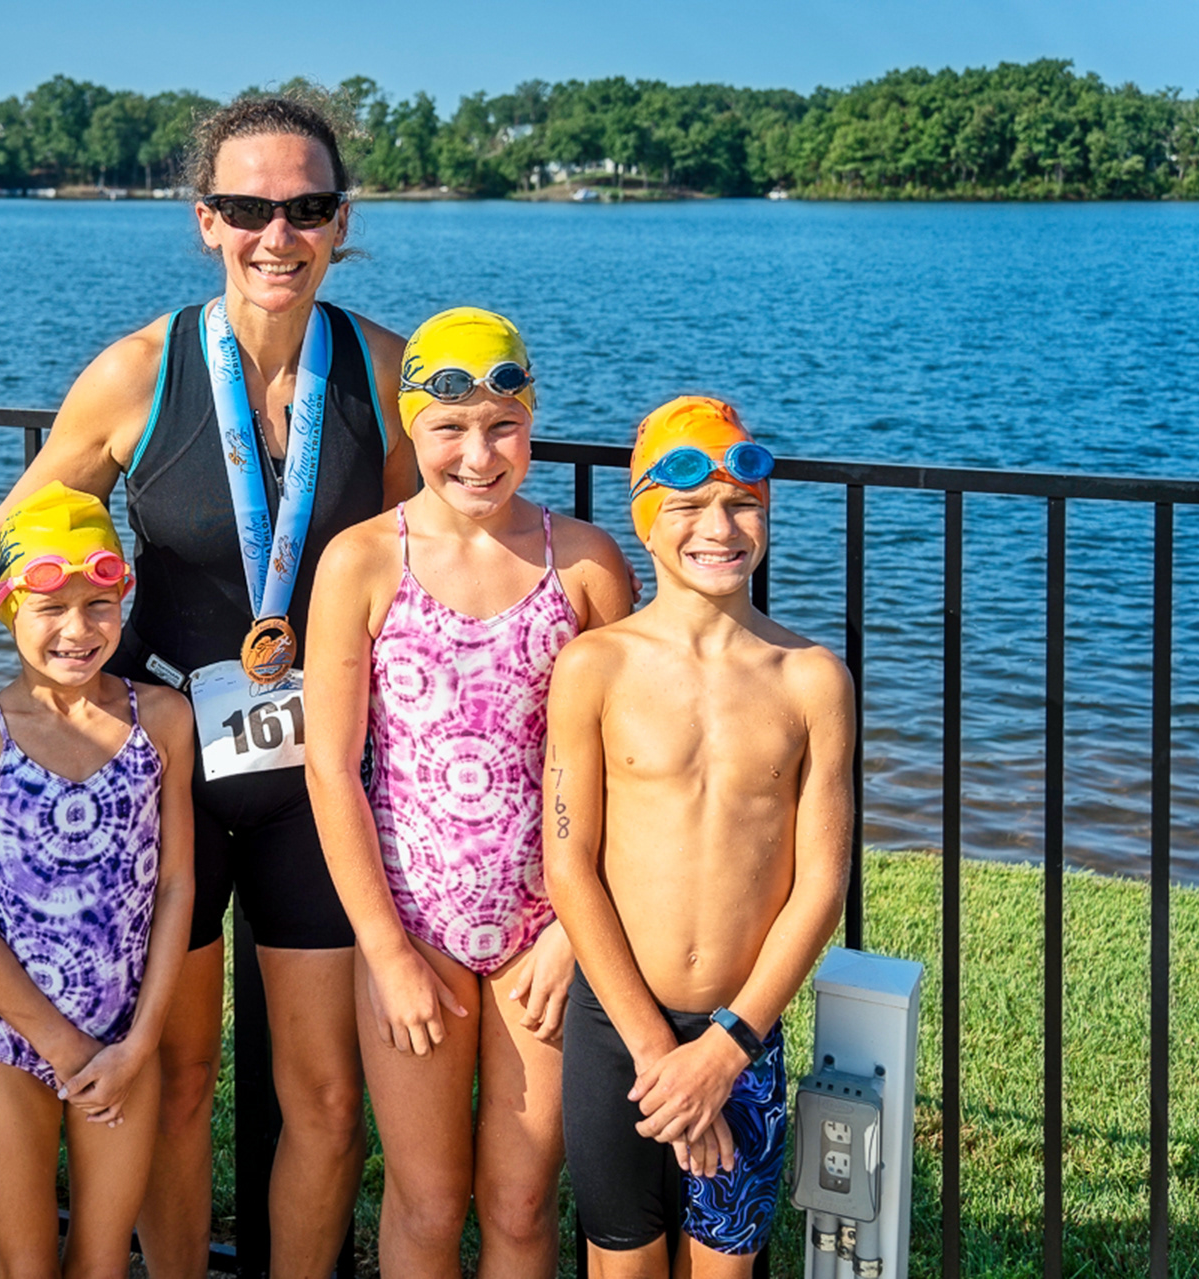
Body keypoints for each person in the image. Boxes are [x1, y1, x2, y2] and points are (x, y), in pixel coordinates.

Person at [0, 93, 416, 1278]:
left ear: (341, 220)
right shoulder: (139, 371)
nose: (277, 235)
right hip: (163, 763)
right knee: (175, 1078)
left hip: (320, 777)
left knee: (327, 1101)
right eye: (248, 209)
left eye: (306, 208)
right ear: (205, 220)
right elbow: (11, 538)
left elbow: (446, 547)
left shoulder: (385, 373)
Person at [304, 309, 634, 1277]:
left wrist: (574, 936)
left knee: (523, 1204)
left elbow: (626, 770)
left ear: (532, 422)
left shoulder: (585, 565)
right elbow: (331, 766)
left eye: (504, 427)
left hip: (546, 933)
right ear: (413, 426)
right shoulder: (363, 561)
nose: (479, 455)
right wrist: (385, 951)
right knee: (426, 1202)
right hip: (416, 932)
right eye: (450, 428)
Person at [542, 396, 854, 1277]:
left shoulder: (812, 679)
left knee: (724, 1265)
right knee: (624, 1264)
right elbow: (568, 862)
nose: (719, 528)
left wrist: (723, 1051)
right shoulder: (595, 666)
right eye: (688, 506)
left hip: (742, 1032)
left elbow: (821, 884)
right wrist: (658, 1052)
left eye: (742, 504)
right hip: (618, 1030)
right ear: (645, 519)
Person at [0, 482, 195, 1278]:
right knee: (24, 1266)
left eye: (98, 605)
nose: (77, 630)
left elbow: (177, 885)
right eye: (50, 608)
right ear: (7, 606)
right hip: (13, 1046)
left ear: (123, 599)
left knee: (102, 1262)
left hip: (124, 1046)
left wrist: (138, 1043)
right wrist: (62, 1045)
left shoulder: (162, 720)